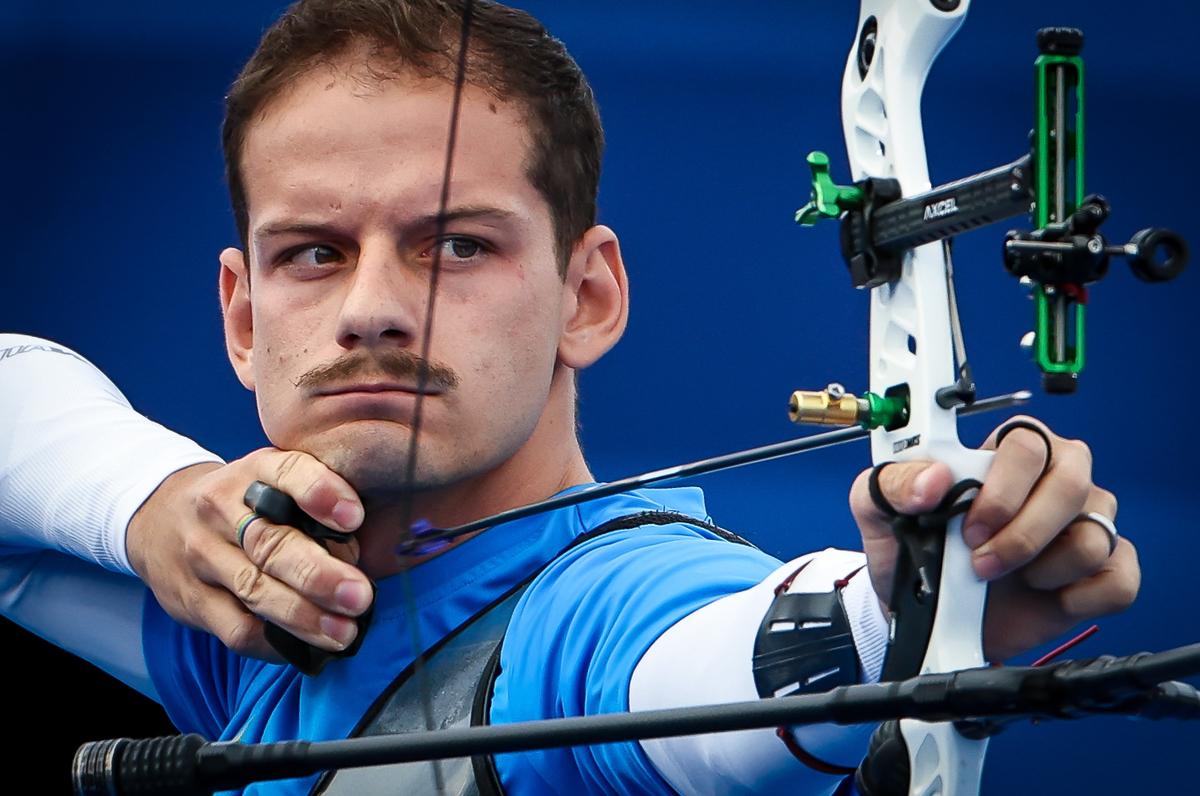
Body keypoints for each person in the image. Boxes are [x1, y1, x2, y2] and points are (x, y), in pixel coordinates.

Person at [0, 1, 1136, 793]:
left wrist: (914, 600)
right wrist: (154, 500)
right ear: (242, 318)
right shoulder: (270, 615)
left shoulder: (601, 609)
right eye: (312, 252)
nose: (373, 309)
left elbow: (716, 658)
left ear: (586, 295)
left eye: (454, 245)